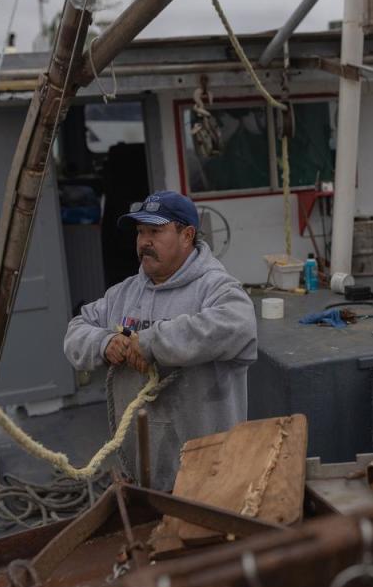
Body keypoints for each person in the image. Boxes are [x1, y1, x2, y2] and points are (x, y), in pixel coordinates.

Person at [63, 190, 257, 490]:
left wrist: (151, 343)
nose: (144, 242)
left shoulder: (216, 288)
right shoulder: (123, 294)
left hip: (210, 470)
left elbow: (238, 324)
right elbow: (76, 331)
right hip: (142, 472)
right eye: (140, 232)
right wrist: (104, 343)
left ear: (187, 235)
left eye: (155, 231)